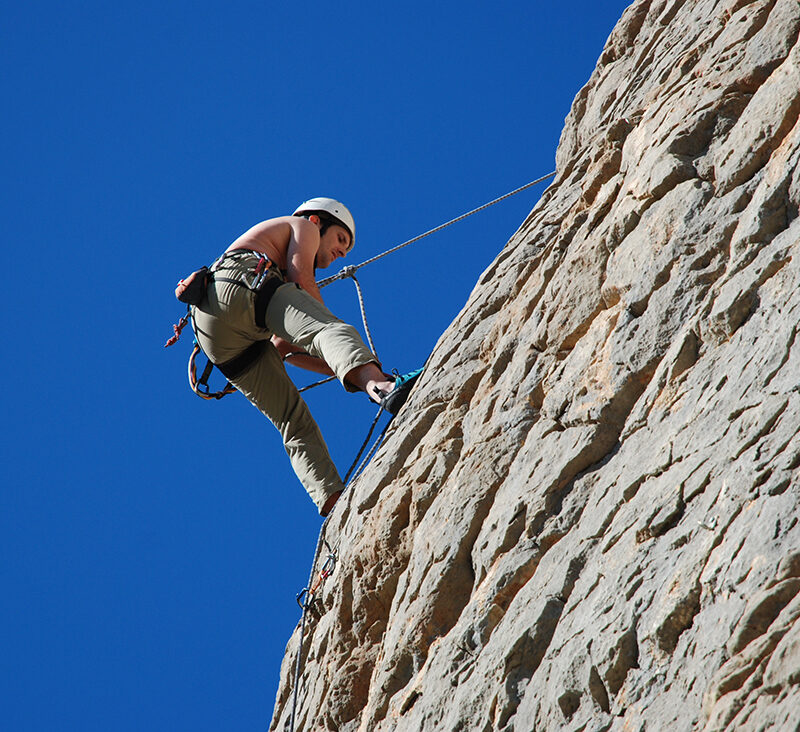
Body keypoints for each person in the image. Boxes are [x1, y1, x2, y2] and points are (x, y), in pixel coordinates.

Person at [190, 198, 421, 516]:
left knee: (291, 420)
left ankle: (332, 501)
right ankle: (384, 388)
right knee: (332, 329)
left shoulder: (276, 266)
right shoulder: (303, 226)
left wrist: (347, 370)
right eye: (340, 238)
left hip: (214, 335)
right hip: (242, 283)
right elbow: (303, 282)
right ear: (317, 221)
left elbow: (284, 347)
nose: (342, 252)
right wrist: (363, 368)